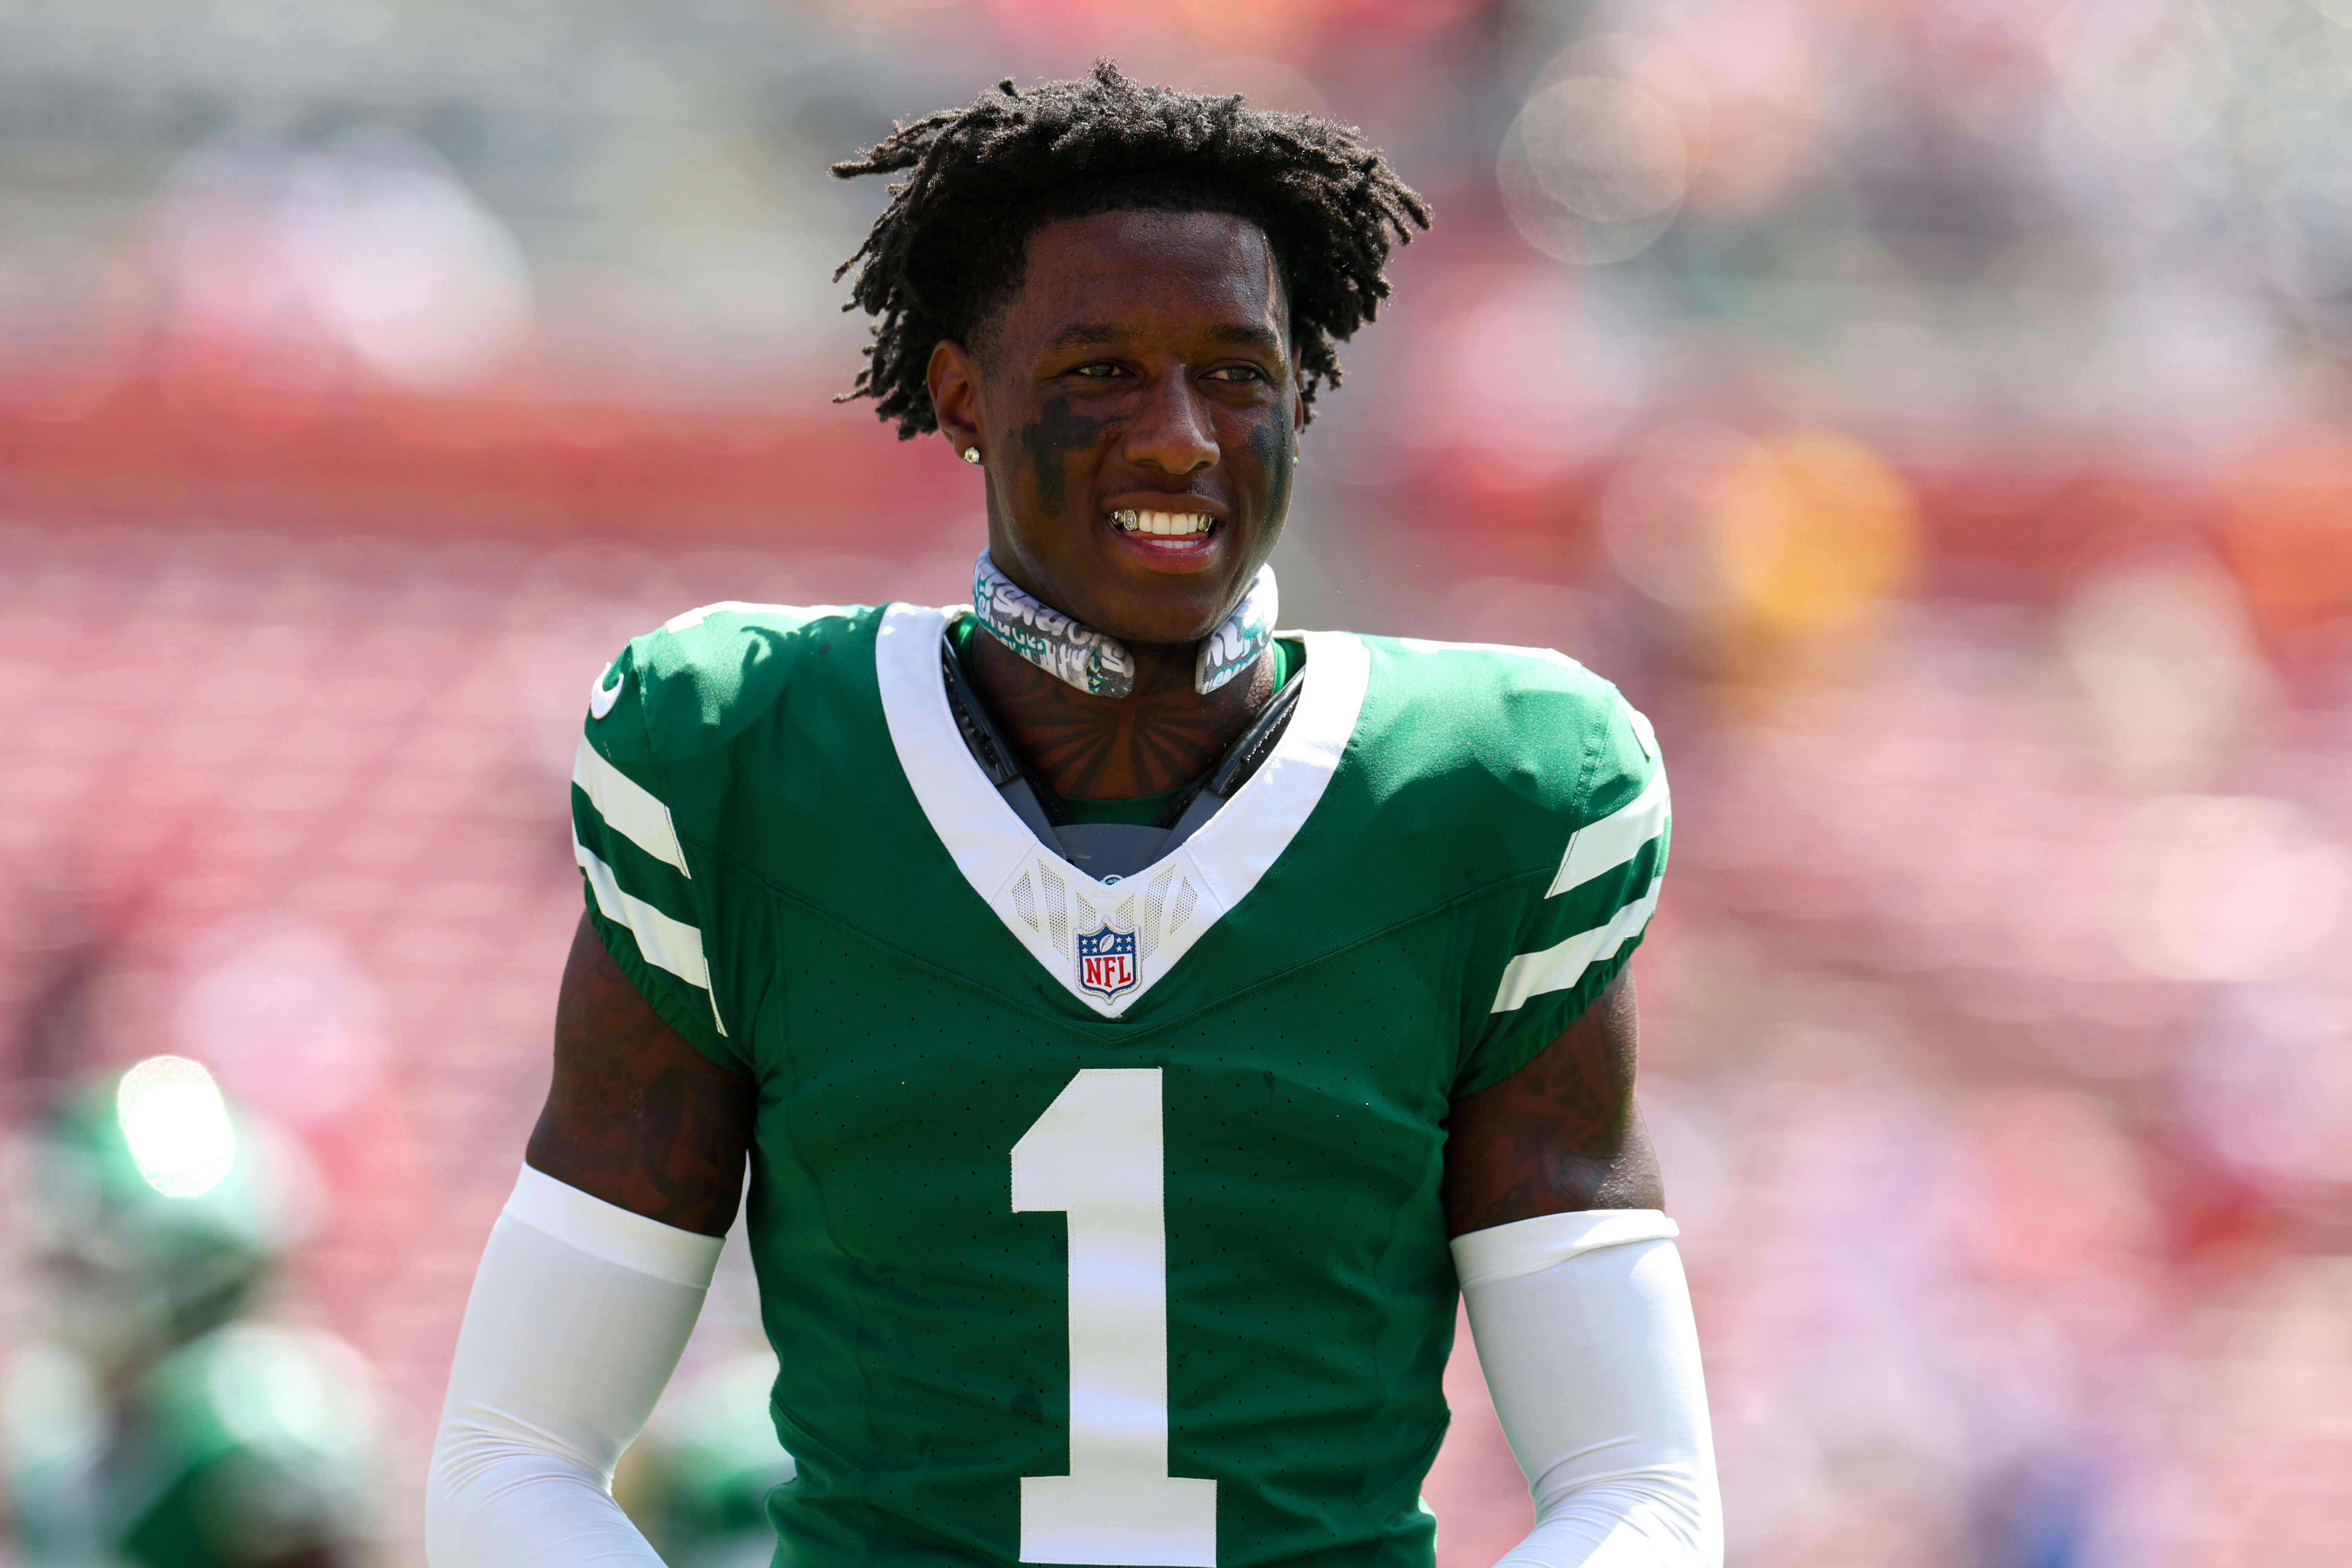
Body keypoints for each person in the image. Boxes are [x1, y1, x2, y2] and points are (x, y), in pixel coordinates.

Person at [428, 63, 1720, 1568]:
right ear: (963, 391)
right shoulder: (750, 765)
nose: (1178, 438)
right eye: (1102, 370)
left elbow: (1641, 1487)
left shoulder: (1485, 794)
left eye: (1237, 371)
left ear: (1306, 388)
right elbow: (515, 1454)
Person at [4, 1056, 381, 1568]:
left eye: (80, 1263)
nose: (58, 1286)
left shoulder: (259, 1427)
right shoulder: (54, 1417)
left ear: (179, 1270)